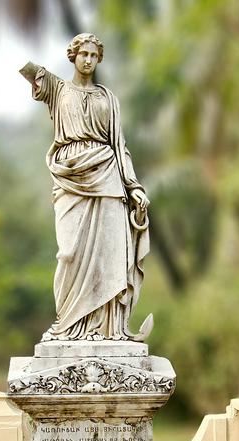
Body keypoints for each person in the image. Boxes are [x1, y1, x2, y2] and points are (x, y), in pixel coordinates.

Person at [20, 33, 152, 342]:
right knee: (69, 252)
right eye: (84, 54)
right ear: (73, 56)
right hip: (71, 177)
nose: (89, 60)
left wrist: (133, 186)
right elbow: (27, 69)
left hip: (108, 176)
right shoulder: (57, 89)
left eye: (94, 55)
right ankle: (68, 324)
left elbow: (120, 146)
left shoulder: (108, 98)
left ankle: (108, 329)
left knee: (109, 255)